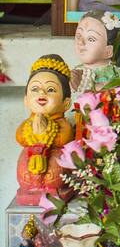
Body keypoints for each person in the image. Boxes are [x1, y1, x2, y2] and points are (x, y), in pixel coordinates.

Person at [16, 55, 75, 206]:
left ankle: (54, 189)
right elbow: (20, 137)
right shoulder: (28, 124)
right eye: (35, 89)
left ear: (66, 103)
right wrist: (33, 131)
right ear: (26, 100)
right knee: (25, 174)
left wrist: (44, 132)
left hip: (55, 165)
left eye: (50, 89)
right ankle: (30, 189)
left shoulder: (63, 125)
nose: (41, 94)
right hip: (29, 169)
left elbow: (64, 137)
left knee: (56, 172)